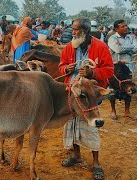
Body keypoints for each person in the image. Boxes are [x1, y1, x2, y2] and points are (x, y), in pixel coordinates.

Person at [58, 17, 114, 180]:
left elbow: (109, 70)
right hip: (72, 92)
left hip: (89, 95)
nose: (73, 32)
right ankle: (76, 156)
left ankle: (96, 163)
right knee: (71, 123)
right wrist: (66, 68)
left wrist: (92, 73)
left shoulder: (100, 47)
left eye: (76, 30)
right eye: (72, 29)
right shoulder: (70, 46)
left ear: (86, 31)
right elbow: (61, 65)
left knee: (91, 124)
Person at [108, 19, 137, 120]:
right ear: (116, 29)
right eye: (123, 26)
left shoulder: (131, 37)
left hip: (128, 69)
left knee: (129, 88)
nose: (126, 28)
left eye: (126, 26)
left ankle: (127, 112)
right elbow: (117, 50)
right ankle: (113, 111)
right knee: (113, 89)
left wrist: (124, 48)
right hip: (116, 69)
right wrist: (130, 48)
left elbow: (136, 48)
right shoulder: (112, 38)